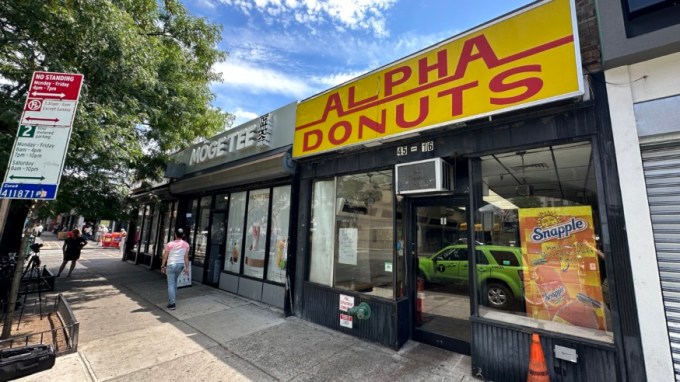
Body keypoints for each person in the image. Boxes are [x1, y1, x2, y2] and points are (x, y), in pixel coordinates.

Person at [161, 228, 190, 310]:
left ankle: (172, 303)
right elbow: (186, 257)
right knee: (174, 282)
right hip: (180, 265)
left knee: (170, 284)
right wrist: (187, 268)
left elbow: (165, 256)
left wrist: (163, 265)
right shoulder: (186, 245)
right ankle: (171, 301)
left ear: (175, 235)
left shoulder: (170, 244)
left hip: (171, 265)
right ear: (183, 235)